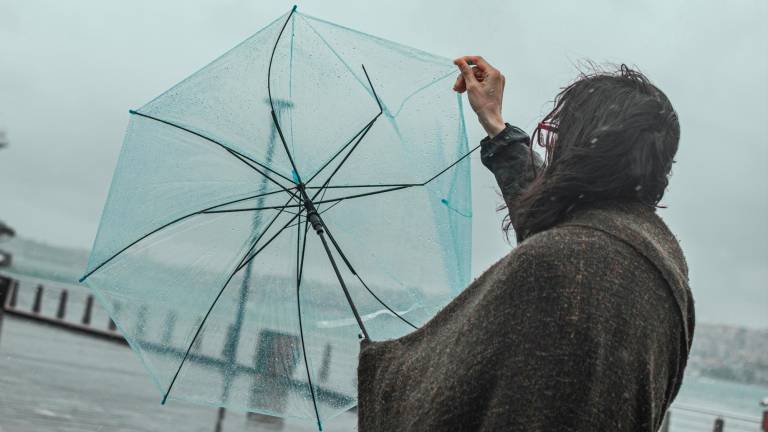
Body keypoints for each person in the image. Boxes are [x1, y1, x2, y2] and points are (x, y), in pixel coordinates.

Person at [357, 56, 695, 431]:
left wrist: (383, 368)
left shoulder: (555, 262)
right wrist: (496, 125)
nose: (552, 149)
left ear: (584, 152)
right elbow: (570, 226)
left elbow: (445, 392)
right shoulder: (661, 264)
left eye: (559, 138)